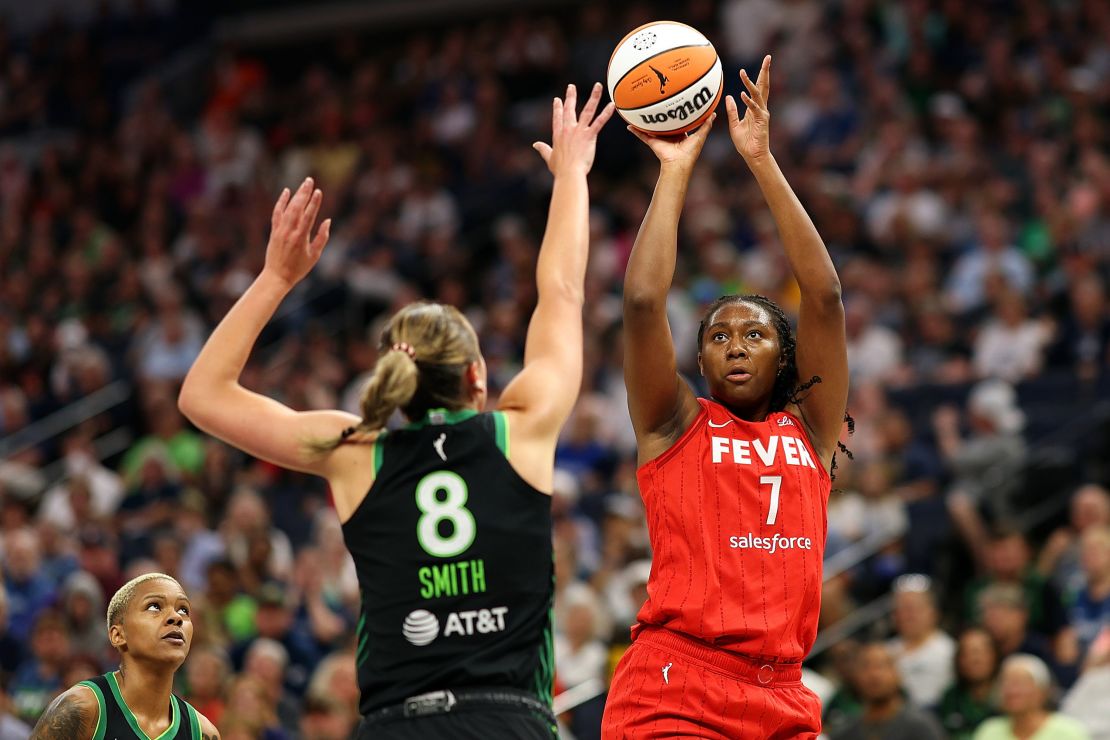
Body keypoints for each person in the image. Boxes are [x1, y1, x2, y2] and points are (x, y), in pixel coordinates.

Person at [177, 83, 614, 739]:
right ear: (476, 376)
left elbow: (201, 396)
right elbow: (562, 292)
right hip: (508, 720)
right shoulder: (522, 427)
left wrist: (275, 277)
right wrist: (572, 177)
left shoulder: (355, 452)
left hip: (397, 725)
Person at [602, 56, 849, 738]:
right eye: (717, 336)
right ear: (702, 360)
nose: (735, 345)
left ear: (785, 356)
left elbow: (825, 296)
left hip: (784, 698)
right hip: (677, 689)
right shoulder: (672, 422)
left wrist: (762, 161)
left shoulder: (814, 430)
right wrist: (675, 171)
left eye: (755, 334)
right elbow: (645, 301)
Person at [29, 572, 218, 739]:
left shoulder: (202, 732)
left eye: (183, 609)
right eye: (154, 606)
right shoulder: (81, 709)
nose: (176, 617)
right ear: (118, 635)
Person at [828, 643, 946, 740]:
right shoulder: (845, 731)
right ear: (856, 677)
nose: (874, 674)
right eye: (865, 666)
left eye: (881, 666)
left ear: (898, 674)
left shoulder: (921, 726)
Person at [972, 653, 1089, 740]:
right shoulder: (988, 731)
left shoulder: (1070, 733)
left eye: (1021, 683)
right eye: (1006, 683)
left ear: (1043, 691)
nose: (1013, 691)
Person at [936, 627, 1000, 740]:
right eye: (967, 653)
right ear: (958, 660)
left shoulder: (1008, 695)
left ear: (994, 655)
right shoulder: (951, 697)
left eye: (981, 652)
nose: (975, 659)